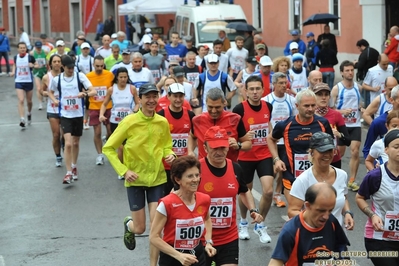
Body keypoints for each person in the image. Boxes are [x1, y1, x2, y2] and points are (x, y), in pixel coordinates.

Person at [102, 83, 176, 266]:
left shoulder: (162, 121)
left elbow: (167, 145)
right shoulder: (129, 122)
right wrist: (124, 171)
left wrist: (170, 154)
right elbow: (108, 148)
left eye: (154, 96)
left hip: (158, 179)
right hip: (135, 180)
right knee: (141, 227)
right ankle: (129, 225)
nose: (151, 100)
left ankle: (153, 264)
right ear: (140, 99)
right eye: (147, 97)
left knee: (155, 229)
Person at [197, 126, 263, 265]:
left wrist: (253, 210)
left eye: (222, 147)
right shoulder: (196, 170)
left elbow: (244, 191)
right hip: (201, 239)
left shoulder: (235, 168)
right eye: (214, 148)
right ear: (205, 147)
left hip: (229, 238)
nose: (219, 152)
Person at [267, 89, 333, 203]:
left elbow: (330, 147)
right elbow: (270, 138)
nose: (311, 109)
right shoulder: (286, 124)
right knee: (295, 212)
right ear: (297, 106)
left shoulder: (323, 123)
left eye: (313, 105)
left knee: (314, 213)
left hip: (316, 177)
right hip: (291, 176)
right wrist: (276, 159)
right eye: (306, 106)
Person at [149, 156, 216, 266]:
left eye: (197, 175)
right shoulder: (167, 203)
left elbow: (207, 219)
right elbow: (154, 237)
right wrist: (179, 255)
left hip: (197, 255)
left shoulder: (204, 199)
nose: (195, 179)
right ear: (177, 179)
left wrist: (208, 242)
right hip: (172, 258)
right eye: (190, 176)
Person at [233, 75, 274, 243]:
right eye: (252, 89)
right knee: (245, 191)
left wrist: (271, 136)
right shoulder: (239, 109)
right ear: (246, 91)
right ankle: (243, 222)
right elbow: (232, 133)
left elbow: (267, 125)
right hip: (245, 156)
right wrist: (243, 138)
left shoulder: (268, 106)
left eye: (258, 88)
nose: (255, 92)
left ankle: (260, 223)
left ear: (263, 90)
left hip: (264, 154)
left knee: (269, 191)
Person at [268, 183, 350, 266]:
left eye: (330, 210)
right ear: (307, 205)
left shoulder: (332, 222)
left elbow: (341, 246)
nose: (326, 216)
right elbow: (276, 261)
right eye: (321, 210)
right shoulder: (291, 230)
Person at [288, 132, 355, 231]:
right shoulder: (303, 180)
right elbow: (292, 211)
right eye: (322, 151)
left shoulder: (342, 175)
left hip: (337, 237)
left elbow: (343, 198)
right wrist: (315, 220)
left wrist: (347, 213)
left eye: (330, 151)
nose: (327, 155)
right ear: (312, 153)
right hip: (312, 236)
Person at [48, 55, 95, 184]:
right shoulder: (57, 80)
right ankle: (68, 173)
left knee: (75, 143)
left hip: (78, 114)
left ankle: (74, 165)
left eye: (72, 67)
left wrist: (84, 93)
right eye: (68, 68)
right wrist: (54, 100)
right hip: (65, 115)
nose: (71, 70)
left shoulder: (80, 77)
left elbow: (93, 91)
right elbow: (50, 92)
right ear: (63, 67)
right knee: (68, 143)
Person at [356, 129, 399, 265]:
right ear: (386, 150)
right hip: (379, 238)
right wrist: (372, 215)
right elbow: (360, 197)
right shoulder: (375, 176)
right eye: (396, 147)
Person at [262, 72, 297, 208]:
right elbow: (265, 119)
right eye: (281, 83)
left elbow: (294, 119)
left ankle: (277, 194)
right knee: (273, 170)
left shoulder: (291, 100)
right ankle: (268, 192)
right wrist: (271, 133)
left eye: (285, 83)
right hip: (272, 140)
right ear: (274, 84)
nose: (284, 85)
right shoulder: (267, 100)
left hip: (286, 141)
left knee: (283, 169)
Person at [189, 88, 251, 162]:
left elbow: (248, 144)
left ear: (224, 103)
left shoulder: (235, 119)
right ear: (206, 103)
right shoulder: (197, 120)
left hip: (229, 167)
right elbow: (192, 136)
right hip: (204, 168)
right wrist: (190, 151)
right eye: (210, 107)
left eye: (217, 107)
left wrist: (238, 146)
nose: (214, 111)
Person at [99, 67, 139, 179]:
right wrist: (101, 115)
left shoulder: (132, 89)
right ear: (117, 77)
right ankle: (122, 170)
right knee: (120, 147)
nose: (123, 79)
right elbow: (104, 104)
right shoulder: (112, 89)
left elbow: (137, 103)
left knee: (128, 146)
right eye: (121, 77)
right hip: (115, 122)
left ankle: (127, 166)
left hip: (129, 122)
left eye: (125, 77)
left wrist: (135, 111)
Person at [157, 83, 196, 192]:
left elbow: (194, 136)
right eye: (175, 96)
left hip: (184, 165)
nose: (178, 99)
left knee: (184, 197)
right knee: (166, 199)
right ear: (168, 96)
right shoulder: (161, 115)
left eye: (181, 96)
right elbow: (156, 140)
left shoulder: (190, 115)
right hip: (166, 165)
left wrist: (191, 150)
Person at [331, 61, 362, 192]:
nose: (350, 72)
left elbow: (359, 104)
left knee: (355, 151)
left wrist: (362, 108)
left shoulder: (358, 87)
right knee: (339, 153)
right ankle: (335, 178)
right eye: (347, 70)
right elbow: (330, 109)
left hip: (355, 124)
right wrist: (342, 112)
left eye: (352, 70)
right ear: (342, 73)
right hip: (341, 125)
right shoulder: (337, 88)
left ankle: (352, 180)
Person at [313, 83, 351, 168]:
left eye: (326, 95)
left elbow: (348, 141)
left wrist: (339, 134)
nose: (323, 97)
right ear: (314, 97)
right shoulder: (309, 115)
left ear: (329, 97)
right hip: (315, 160)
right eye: (320, 94)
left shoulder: (336, 114)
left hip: (333, 160)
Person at [86, 55, 114, 165]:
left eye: (101, 66)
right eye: (97, 66)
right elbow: (85, 89)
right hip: (94, 107)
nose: (99, 68)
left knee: (110, 132)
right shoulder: (88, 76)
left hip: (108, 106)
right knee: (97, 132)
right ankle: (100, 155)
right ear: (93, 65)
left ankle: (107, 140)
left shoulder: (109, 74)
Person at [363, 85, 399, 159]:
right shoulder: (378, 123)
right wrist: (376, 166)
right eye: (394, 126)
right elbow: (367, 150)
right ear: (391, 100)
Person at [40, 54, 63, 167]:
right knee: (56, 134)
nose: (57, 63)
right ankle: (58, 156)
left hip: (65, 109)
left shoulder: (65, 75)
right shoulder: (46, 77)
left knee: (64, 135)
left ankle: (64, 145)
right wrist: (48, 94)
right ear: (51, 64)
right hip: (52, 109)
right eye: (55, 61)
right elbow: (42, 91)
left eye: (59, 61)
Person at [10, 42, 38, 128]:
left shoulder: (30, 57)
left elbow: (37, 65)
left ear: (26, 49)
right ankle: (22, 119)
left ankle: (29, 113)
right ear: (18, 49)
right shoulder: (16, 57)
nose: (22, 49)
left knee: (29, 101)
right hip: (19, 81)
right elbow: (15, 65)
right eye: (21, 48)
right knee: (21, 100)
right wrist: (13, 71)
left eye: (24, 48)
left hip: (28, 81)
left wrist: (33, 65)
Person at [354, 39, 380, 109]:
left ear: (362, 46)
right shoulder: (375, 51)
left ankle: (367, 110)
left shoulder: (364, 53)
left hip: (365, 77)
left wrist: (355, 64)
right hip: (375, 76)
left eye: (359, 48)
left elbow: (360, 65)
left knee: (365, 96)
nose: (359, 50)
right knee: (372, 95)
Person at [30, 41, 47, 110]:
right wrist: (34, 66)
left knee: (46, 87)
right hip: (36, 72)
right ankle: (40, 103)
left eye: (40, 47)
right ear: (35, 47)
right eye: (37, 48)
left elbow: (48, 61)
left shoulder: (45, 52)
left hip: (44, 71)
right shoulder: (32, 53)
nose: (39, 49)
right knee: (38, 88)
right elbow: (30, 63)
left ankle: (46, 98)